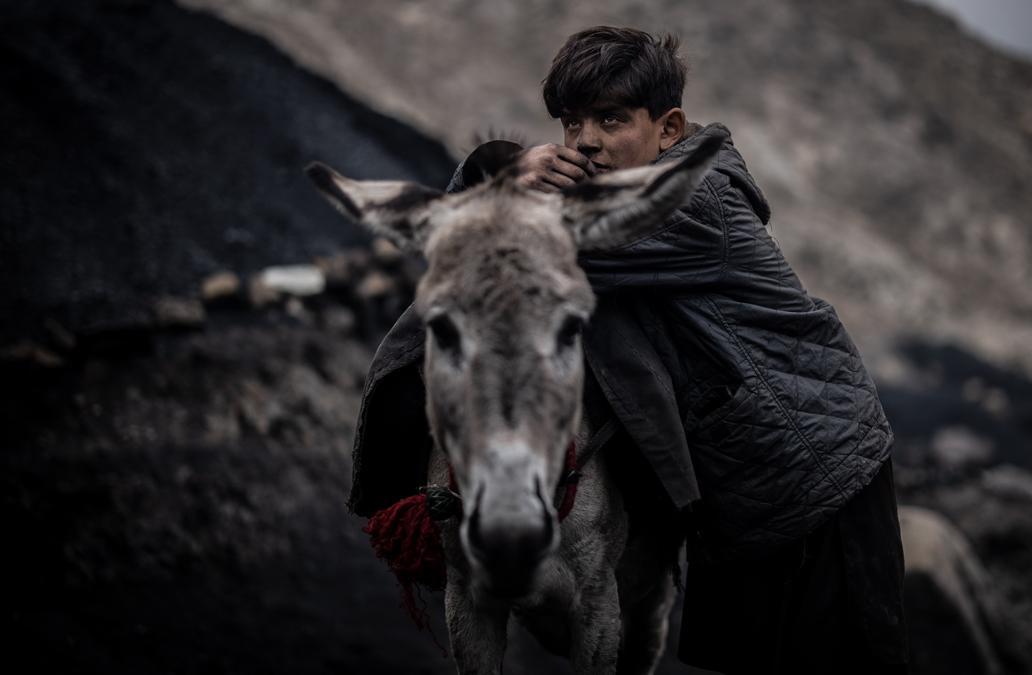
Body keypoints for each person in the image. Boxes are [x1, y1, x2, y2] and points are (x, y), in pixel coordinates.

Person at [350, 26, 908, 674]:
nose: (585, 140)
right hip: (750, 486)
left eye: (611, 119)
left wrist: (501, 169)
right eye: (571, 122)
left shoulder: (695, 198)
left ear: (669, 129)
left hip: (817, 470)